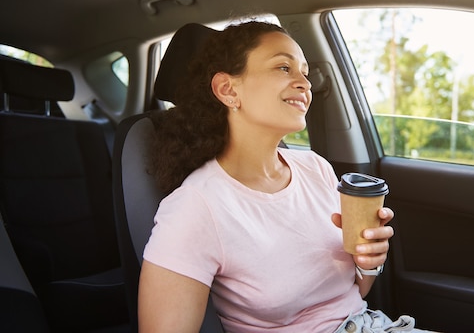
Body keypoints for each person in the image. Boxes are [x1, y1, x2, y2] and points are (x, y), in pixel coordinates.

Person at [138, 21, 434, 332]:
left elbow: (347, 300)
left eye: (304, 72)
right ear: (228, 89)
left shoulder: (315, 168)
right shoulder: (195, 207)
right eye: (283, 67)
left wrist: (368, 261)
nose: (304, 83)